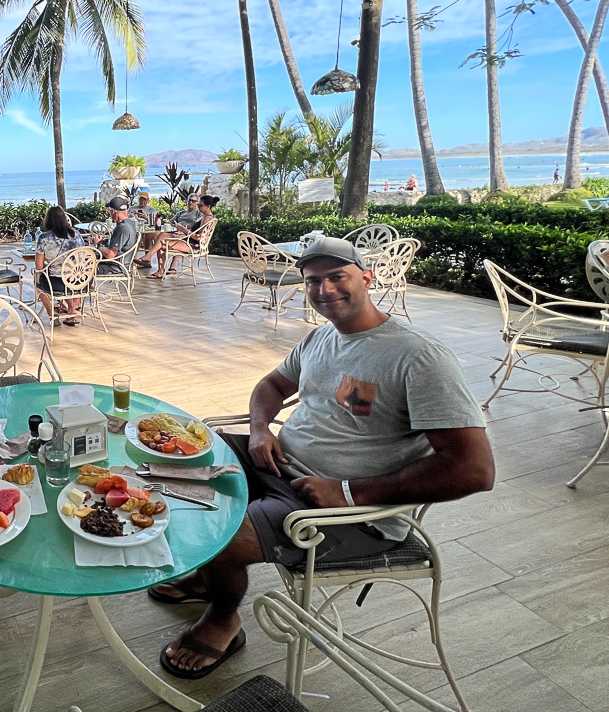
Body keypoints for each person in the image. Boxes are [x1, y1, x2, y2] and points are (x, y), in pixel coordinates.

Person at [148, 237, 494, 679]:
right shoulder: (320, 339)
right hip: (281, 466)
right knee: (183, 461)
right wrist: (258, 432)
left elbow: (474, 470)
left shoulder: (418, 357)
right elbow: (270, 387)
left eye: (338, 277)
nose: (325, 289)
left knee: (222, 534)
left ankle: (223, 619)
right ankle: (208, 577)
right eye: (314, 281)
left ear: (367, 278)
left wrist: (350, 491)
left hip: (349, 512)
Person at [136, 195, 218, 279]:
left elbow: (198, 237)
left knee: (161, 243)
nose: (198, 207)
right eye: (198, 205)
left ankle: (156, 266)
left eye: (200, 205)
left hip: (192, 245)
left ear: (208, 206)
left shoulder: (207, 219)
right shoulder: (203, 216)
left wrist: (184, 230)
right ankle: (151, 260)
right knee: (163, 235)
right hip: (187, 239)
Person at [34, 205, 87, 326]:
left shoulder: (44, 238)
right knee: (62, 276)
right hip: (80, 280)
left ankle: (51, 314)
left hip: (60, 283)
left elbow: (39, 266)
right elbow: (83, 254)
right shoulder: (76, 234)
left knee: (38, 279)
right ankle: (71, 309)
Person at [92, 196, 140, 275]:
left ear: (113, 211)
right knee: (87, 262)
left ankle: (74, 287)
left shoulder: (122, 228)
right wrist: (104, 242)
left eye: (109, 210)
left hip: (116, 266)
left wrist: (98, 245)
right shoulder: (129, 223)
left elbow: (110, 254)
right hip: (118, 263)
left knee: (84, 267)